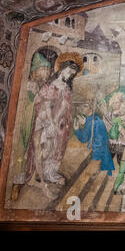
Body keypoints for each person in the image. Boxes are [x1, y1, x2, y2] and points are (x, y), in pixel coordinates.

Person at [24, 52, 84, 198]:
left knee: (55, 147)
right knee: (45, 147)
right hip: (46, 122)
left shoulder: (66, 88)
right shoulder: (51, 85)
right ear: (62, 68)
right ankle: (39, 174)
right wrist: (51, 123)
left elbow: (66, 107)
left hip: (60, 124)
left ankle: (49, 173)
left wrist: (62, 122)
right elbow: (44, 105)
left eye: (72, 74)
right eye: (69, 71)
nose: (70, 75)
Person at [12, 52, 52, 200]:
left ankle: (29, 179)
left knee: (34, 150)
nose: (47, 74)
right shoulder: (30, 84)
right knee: (21, 152)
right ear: (37, 70)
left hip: (34, 123)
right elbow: (25, 105)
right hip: (25, 123)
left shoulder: (39, 85)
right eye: (44, 70)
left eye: (48, 71)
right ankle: (15, 185)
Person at [73, 102, 115, 176]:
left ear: (91, 108)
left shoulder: (91, 122)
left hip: (97, 154)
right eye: (82, 106)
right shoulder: (96, 118)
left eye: (85, 106)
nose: (82, 108)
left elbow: (84, 138)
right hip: (104, 153)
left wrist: (77, 130)